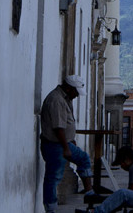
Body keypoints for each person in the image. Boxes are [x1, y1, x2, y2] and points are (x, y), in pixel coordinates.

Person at [39, 75, 96, 213]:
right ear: (69, 88)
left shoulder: (65, 98)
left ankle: (90, 194)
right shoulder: (56, 100)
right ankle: (50, 208)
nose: (77, 96)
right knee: (53, 177)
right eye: (76, 92)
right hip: (55, 145)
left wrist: (70, 141)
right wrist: (66, 147)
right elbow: (58, 127)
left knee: (83, 158)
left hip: (63, 143)